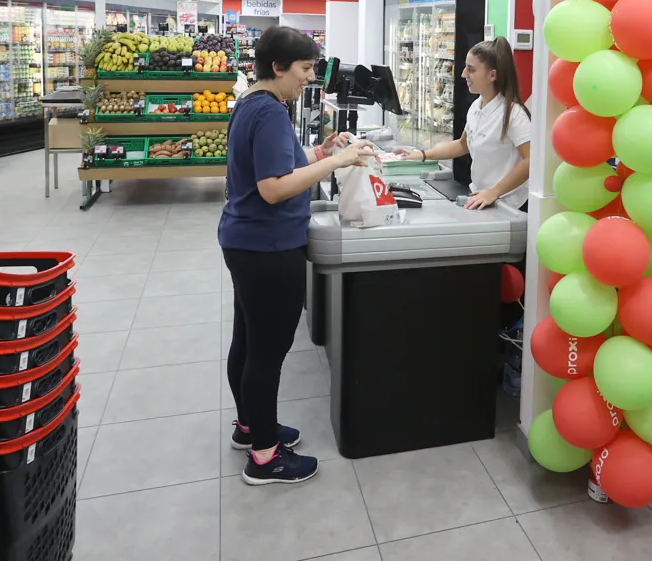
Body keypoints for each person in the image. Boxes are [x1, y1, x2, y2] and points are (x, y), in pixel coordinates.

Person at [218, 26, 374, 486]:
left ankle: (252, 427)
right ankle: (265, 458)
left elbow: (278, 163)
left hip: (245, 242)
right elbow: (273, 188)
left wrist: (320, 150)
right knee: (267, 352)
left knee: (248, 340)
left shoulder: (253, 102)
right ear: (277, 67)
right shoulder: (268, 112)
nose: (311, 78)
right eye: (305, 69)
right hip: (268, 247)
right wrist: (336, 163)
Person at [398, 37, 531, 211]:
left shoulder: (513, 114)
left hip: (510, 204)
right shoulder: (477, 106)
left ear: (492, 75)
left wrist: (495, 192)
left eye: (471, 70)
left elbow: (531, 161)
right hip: (480, 198)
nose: (463, 74)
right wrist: (421, 155)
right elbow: (463, 144)